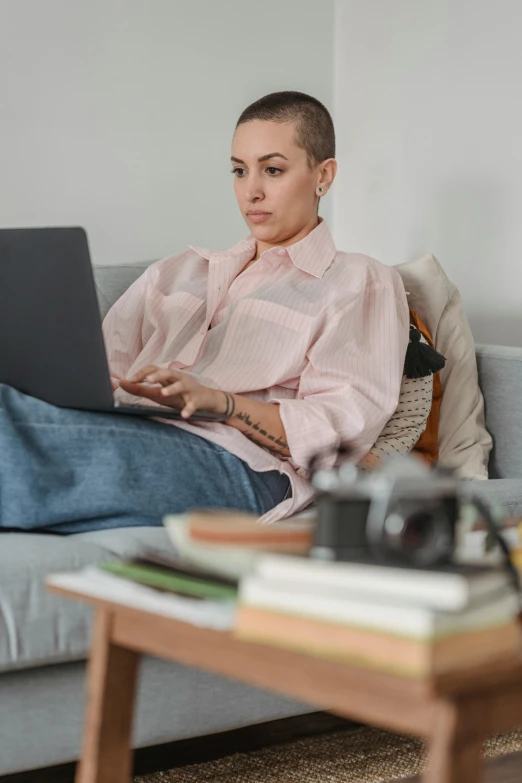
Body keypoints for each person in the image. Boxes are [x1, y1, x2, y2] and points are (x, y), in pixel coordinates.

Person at [0, 91, 409, 534]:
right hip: (134, 429)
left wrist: (222, 404)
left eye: (272, 170)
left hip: (242, 465)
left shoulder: (359, 280)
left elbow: (339, 437)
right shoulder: (175, 272)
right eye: (239, 170)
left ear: (322, 176)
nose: (251, 191)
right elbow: (97, 373)